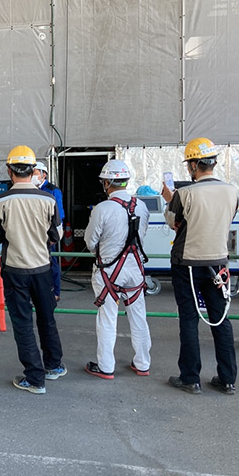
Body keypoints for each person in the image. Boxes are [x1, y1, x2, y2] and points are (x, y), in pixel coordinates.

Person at [162, 138, 238, 395]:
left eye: (189, 165)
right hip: (218, 264)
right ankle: (227, 379)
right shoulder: (232, 191)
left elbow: (174, 223)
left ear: (194, 165)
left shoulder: (184, 194)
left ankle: (190, 378)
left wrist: (168, 200)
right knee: (221, 320)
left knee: (189, 319)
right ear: (213, 163)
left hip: (188, 264)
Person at [0, 145, 65, 395]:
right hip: (42, 267)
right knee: (46, 317)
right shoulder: (48, 199)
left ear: (9, 171)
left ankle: (34, 377)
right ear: (34, 171)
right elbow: (56, 235)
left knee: (22, 323)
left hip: (15, 269)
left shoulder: (0, 202)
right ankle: (53, 366)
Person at [84, 160, 151, 379]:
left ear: (107, 182)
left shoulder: (102, 209)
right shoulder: (141, 206)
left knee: (107, 318)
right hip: (135, 270)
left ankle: (106, 366)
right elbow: (143, 235)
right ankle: (142, 363)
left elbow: (90, 242)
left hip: (108, 272)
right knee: (138, 316)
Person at [33, 160, 64, 300]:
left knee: (52, 263)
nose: (32, 176)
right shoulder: (31, 190)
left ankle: (55, 292)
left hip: (48, 234)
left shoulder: (53, 190)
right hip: (34, 233)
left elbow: (59, 215)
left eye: (35, 173)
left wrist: (54, 236)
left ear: (43, 174)